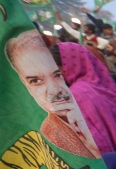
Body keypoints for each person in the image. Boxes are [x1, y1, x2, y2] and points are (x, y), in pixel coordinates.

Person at [5, 29, 100, 158]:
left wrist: (92, 145)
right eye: (35, 80)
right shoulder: (38, 135)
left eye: (58, 75)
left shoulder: (82, 96)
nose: (54, 90)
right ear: (24, 83)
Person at [56, 41, 116, 155]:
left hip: (107, 165)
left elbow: (96, 141)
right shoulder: (101, 83)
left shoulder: (78, 94)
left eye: (57, 69)